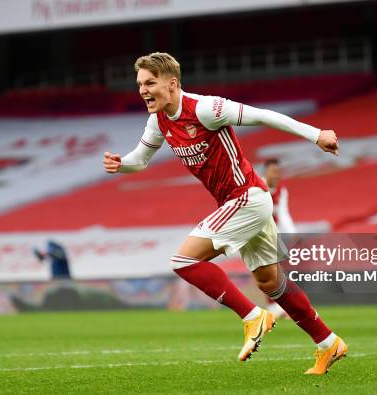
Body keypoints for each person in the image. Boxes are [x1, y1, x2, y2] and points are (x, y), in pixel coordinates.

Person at [103, 52, 346, 375]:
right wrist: (122, 164)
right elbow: (142, 159)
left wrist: (316, 135)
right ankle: (329, 344)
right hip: (242, 203)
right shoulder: (159, 119)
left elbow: (263, 116)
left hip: (246, 198)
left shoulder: (206, 108)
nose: (143, 90)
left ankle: (253, 316)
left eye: (150, 83)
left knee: (184, 260)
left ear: (172, 83)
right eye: (139, 84)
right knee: (270, 282)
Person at [262, 158, 295, 319]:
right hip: (257, 234)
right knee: (270, 270)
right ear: (265, 172)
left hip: (272, 235)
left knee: (276, 270)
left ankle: (276, 307)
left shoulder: (282, 190)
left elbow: (283, 214)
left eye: (278, 172)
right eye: (272, 171)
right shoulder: (257, 187)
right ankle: (274, 306)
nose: (276, 175)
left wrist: (292, 235)